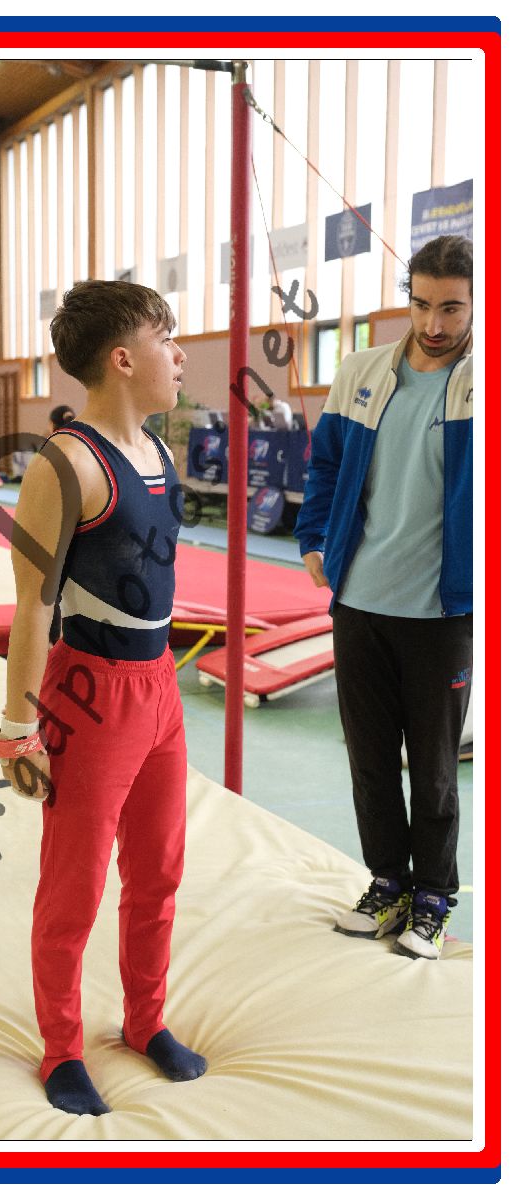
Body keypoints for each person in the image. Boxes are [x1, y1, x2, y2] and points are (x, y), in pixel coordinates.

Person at [0, 280, 206, 1116]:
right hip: (89, 697)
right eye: (167, 339)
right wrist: (18, 730)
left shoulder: (157, 451)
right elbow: (32, 606)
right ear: (122, 359)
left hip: (160, 691)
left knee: (158, 872)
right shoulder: (67, 464)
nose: (180, 355)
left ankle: (146, 1021)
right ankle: (62, 1047)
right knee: (75, 886)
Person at [294, 235, 473, 961]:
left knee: (432, 769)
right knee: (370, 760)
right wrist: (313, 539)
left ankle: (433, 898)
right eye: (422, 304)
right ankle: (387, 884)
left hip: (441, 611)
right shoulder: (361, 372)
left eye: (451, 308)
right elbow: (325, 465)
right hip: (360, 601)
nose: (434, 323)